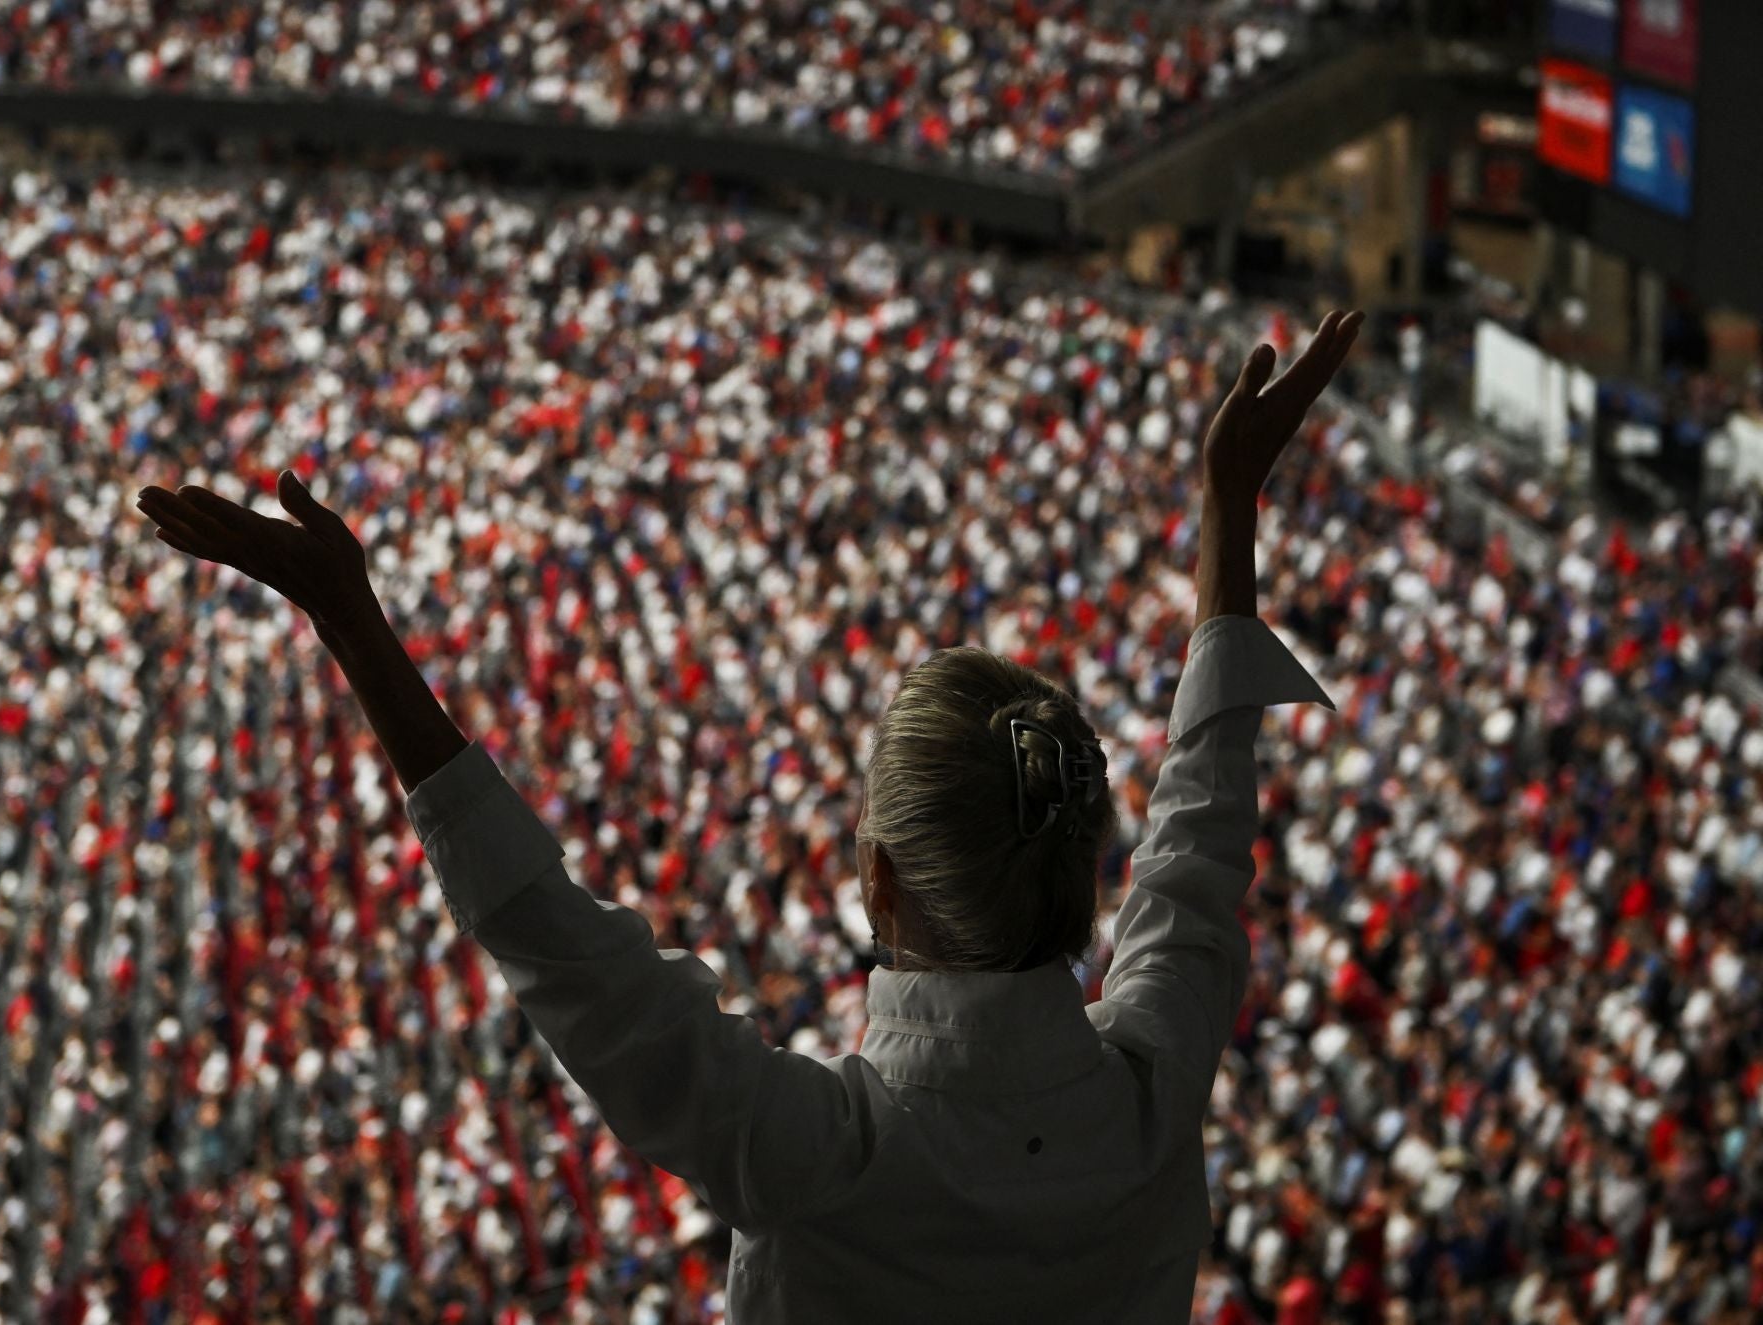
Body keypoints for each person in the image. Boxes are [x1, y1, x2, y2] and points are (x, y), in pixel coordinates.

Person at [133, 308, 1366, 1322]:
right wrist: (1229, 514)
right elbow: (1202, 834)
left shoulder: (822, 1157)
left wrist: (349, 615)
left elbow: (569, 953)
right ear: (1086, 863)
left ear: (878, 883)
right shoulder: (1156, 1085)